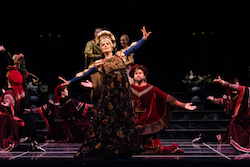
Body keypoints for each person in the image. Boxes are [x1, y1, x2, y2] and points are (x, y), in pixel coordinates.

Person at [59, 26, 151, 159]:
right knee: (104, 123)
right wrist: (70, 81)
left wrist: (143, 39)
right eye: (103, 44)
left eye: (108, 43)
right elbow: (84, 73)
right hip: (109, 98)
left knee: (124, 123)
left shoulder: (121, 55)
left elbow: (133, 47)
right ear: (100, 48)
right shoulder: (99, 63)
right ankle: (104, 148)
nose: (106, 45)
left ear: (112, 46)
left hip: (124, 97)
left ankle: (123, 149)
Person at [129, 64, 197, 154]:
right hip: (132, 121)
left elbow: (166, 98)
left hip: (147, 120)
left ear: (144, 75)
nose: (138, 75)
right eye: (136, 73)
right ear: (133, 76)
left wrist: (183, 105)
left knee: (150, 145)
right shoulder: (129, 89)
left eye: (140, 73)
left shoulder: (152, 89)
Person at [27, 84, 92, 143]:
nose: (67, 91)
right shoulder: (70, 101)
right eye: (66, 90)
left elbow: (43, 109)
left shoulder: (54, 103)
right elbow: (85, 106)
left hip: (60, 127)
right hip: (70, 126)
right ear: (62, 92)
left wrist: (31, 111)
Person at [207, 76, 250, 153]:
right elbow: (224, 101)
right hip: (239, 116)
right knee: (233, 123)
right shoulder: (232, 93)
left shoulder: (246, 90)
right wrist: (214, 99)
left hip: (246, 116)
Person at [0, 70, 25, 151]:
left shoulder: (8, 93)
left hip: (4, 122)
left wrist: (6, 104)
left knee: (5, 143)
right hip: (9, 121)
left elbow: (8, 99)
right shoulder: (14, 92)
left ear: (8, 80)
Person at [83, 27, 103, 107]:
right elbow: (87, 55)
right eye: (97, 32)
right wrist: (99, 56)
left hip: (103, 67)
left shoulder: (103, 43)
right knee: (95, 86)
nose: (98, 34)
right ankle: (95, 105)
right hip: (94, 67)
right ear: (94, 33)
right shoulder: (91, 43)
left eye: (100, 33)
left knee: (103, 86)